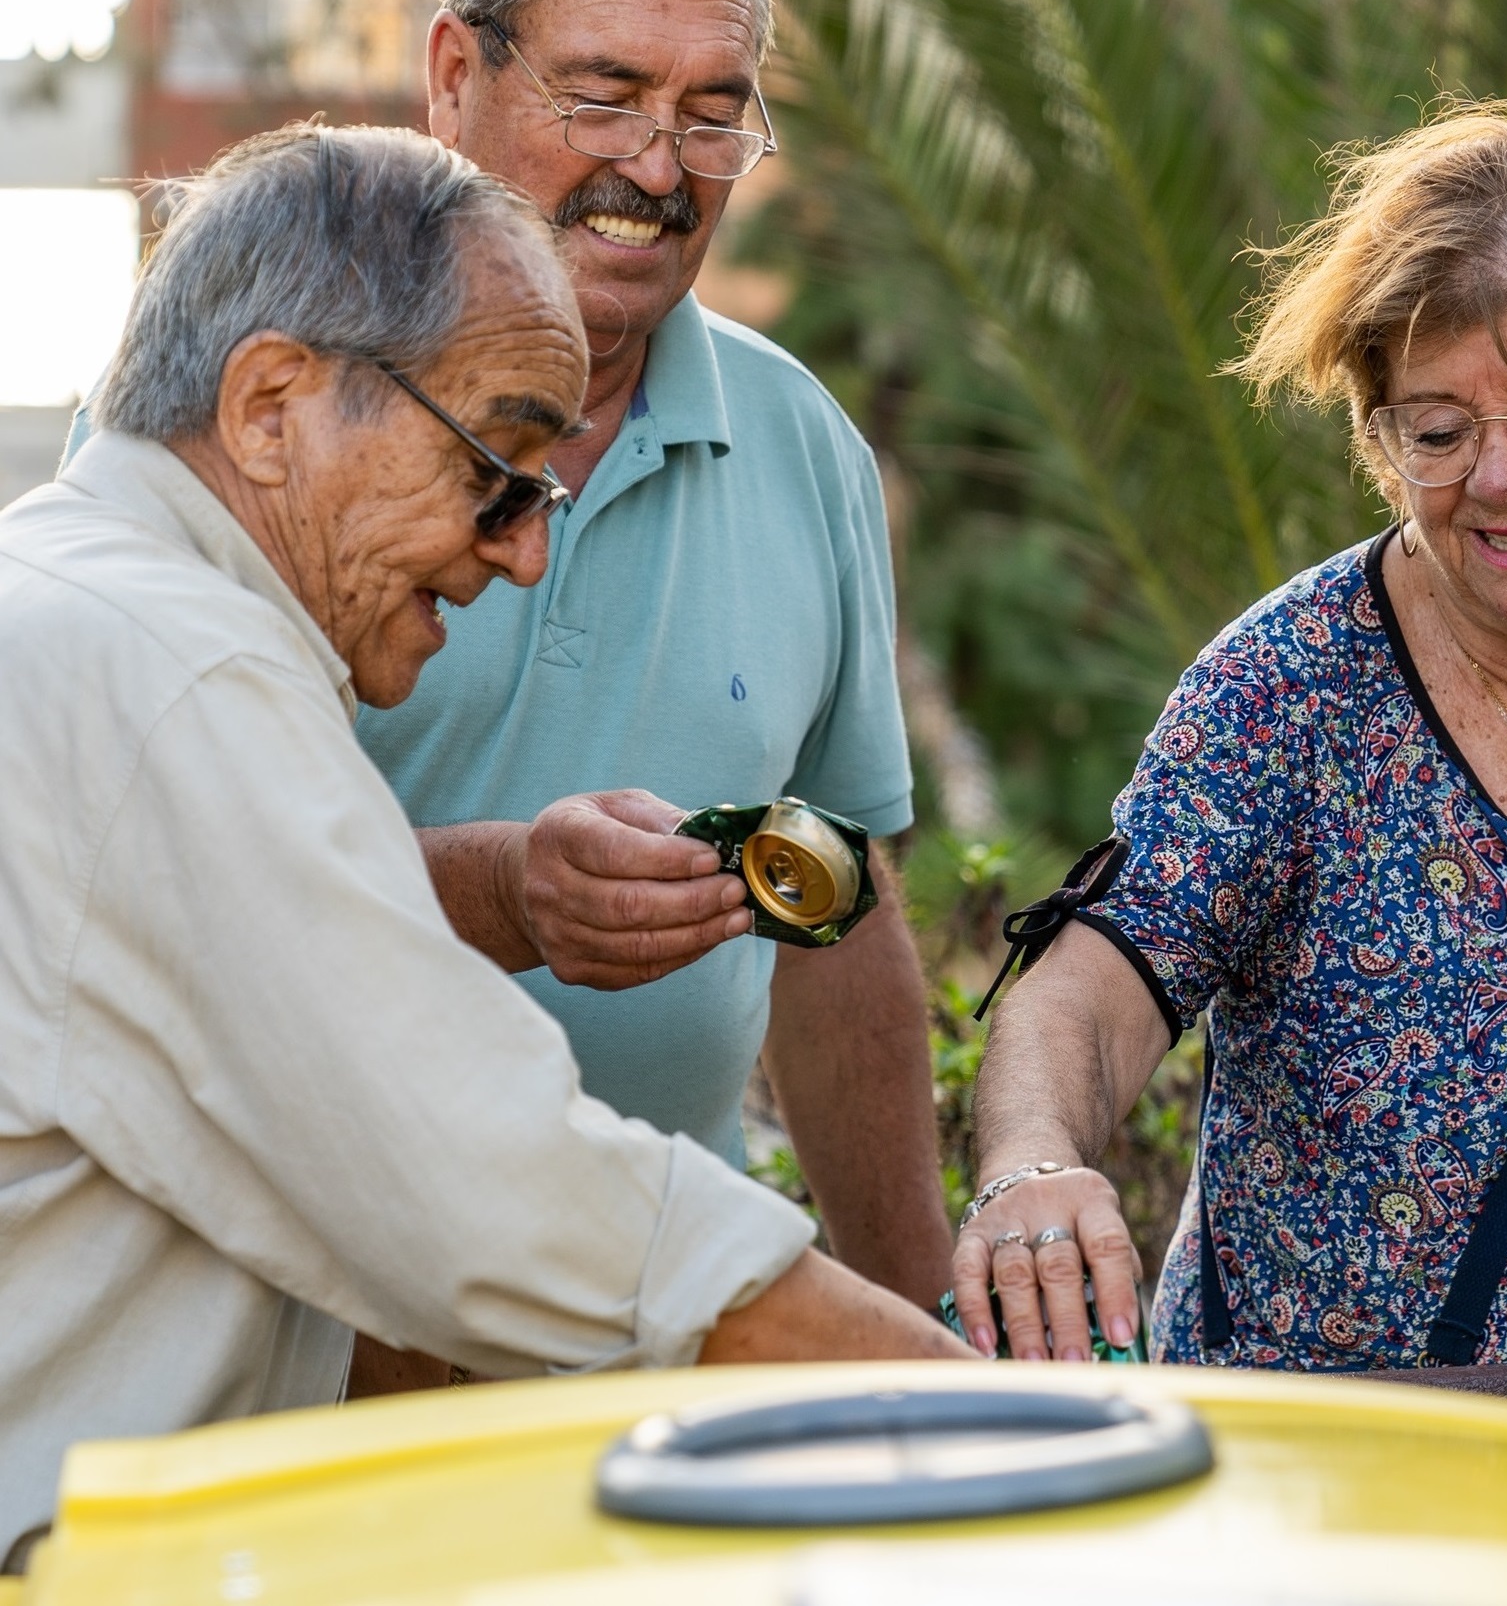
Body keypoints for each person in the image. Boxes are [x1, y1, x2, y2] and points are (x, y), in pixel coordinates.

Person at [0, 124, 965, 1566]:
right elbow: (494, 1194)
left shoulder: (82, 599)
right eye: (497, 471)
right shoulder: (177, 672)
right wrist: (973, 1414)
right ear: (270, 405)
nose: (521, 552)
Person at [951, 105, 1507, 1369]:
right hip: (1325, 1460)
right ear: (1379, 447)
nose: (1497, 478)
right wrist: (1029, 1167)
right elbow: (1095, 981)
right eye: (1436, 431)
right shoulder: (1288, 686)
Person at [351, 0, 950, 1321]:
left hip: (660, 1311)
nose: (661, 168)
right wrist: (508, 889)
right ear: (454, 77)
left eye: (710, 113)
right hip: (310, 1312)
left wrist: (918, 1330)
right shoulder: (264, 411)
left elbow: (830, 909)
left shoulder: (801, 439)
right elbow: (163, 877)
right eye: (604, 96)